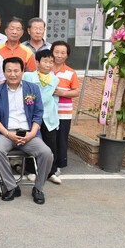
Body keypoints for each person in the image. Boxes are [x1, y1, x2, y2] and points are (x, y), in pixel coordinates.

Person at [0, 57, 53, 204]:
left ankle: (38, 188)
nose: (13, 74)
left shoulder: (32, 89)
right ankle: (11, 187)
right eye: (9, 70)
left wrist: (32, 134)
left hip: (28, 133)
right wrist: (7, 134)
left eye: (16, 70)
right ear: (4, 72)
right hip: (5, 132)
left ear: (23, 71)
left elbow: (38, 114)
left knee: (46, 153)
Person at [22, 49, 60, 184]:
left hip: (49, 116)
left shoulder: (55, 79)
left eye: (51, 62)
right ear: (37, 62)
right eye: (45, 61)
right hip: (32, 115)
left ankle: (51, 172)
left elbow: (54, 99)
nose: (48, 65)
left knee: (51, 144)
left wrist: (55, 114)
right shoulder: (27, 76)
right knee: (31, 143)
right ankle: (31, 170)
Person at [50, 41, 80, 176]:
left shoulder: (70, 72)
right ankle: (45, 164)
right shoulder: (45, 69)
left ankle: (58, 165)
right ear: (51, 52)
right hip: (47, 113)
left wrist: (63, 93)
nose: (59, 55)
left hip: (63, 112)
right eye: (56, 52)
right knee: (47, 138)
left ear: (67, 55)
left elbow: (76, 92)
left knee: (61, 139)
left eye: (63, 53)